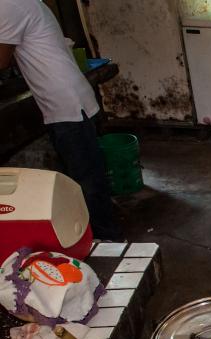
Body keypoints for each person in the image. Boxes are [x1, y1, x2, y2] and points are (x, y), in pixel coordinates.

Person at [0, 0, 123, 241]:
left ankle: (110, 241)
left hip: (66, 103)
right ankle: (101, 234)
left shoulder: (8, 4)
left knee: (87, 181)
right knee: (85, 176)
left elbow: (1, 60)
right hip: (65, 101)